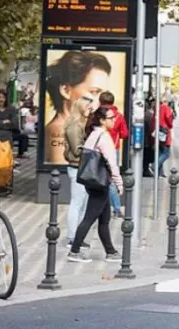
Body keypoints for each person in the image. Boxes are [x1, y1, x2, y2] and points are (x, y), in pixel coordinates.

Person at [68, 107, 122, 263]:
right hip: (100, 182)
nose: (114, 120)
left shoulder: (94, 134)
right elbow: (112, 164)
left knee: (104, 218)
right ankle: (74, 250)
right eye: (111, 118)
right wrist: (119, 184)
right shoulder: (104, 137)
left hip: (93, 181)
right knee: (89, 218)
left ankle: (110, 251)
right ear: (102, 121)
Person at [43, 51, 112, 164]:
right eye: (94, 92)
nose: (101, 101)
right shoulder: (58, 129)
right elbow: (63, 173)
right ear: (66, 90)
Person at [62, 95, 94, 250]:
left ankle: (78, 236)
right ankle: (72, 237)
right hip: (76, 166)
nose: (90, 110)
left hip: (82, 166)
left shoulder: (83, 124)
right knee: (77, 203)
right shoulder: (75, 126)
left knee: (82, 204)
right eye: (88, 107)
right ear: (81, 108)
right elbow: (76, 149)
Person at [99, 91, 127, 217]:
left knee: (96, 177)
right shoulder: (119, 116)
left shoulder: (97, 115)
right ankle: (116, 208)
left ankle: (97, 207)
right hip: (113, 149)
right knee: (111, 180)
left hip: (97, 150)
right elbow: (125, 134)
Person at [150, 96, 174, 178]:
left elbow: (153, 120)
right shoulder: (166, 108)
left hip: (157, 132)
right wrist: (170, 124)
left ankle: (160, 172)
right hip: (164, 133)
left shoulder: (157, 109)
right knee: (166, 153)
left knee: (160, 152)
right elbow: (168, 118)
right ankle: (154, 165)